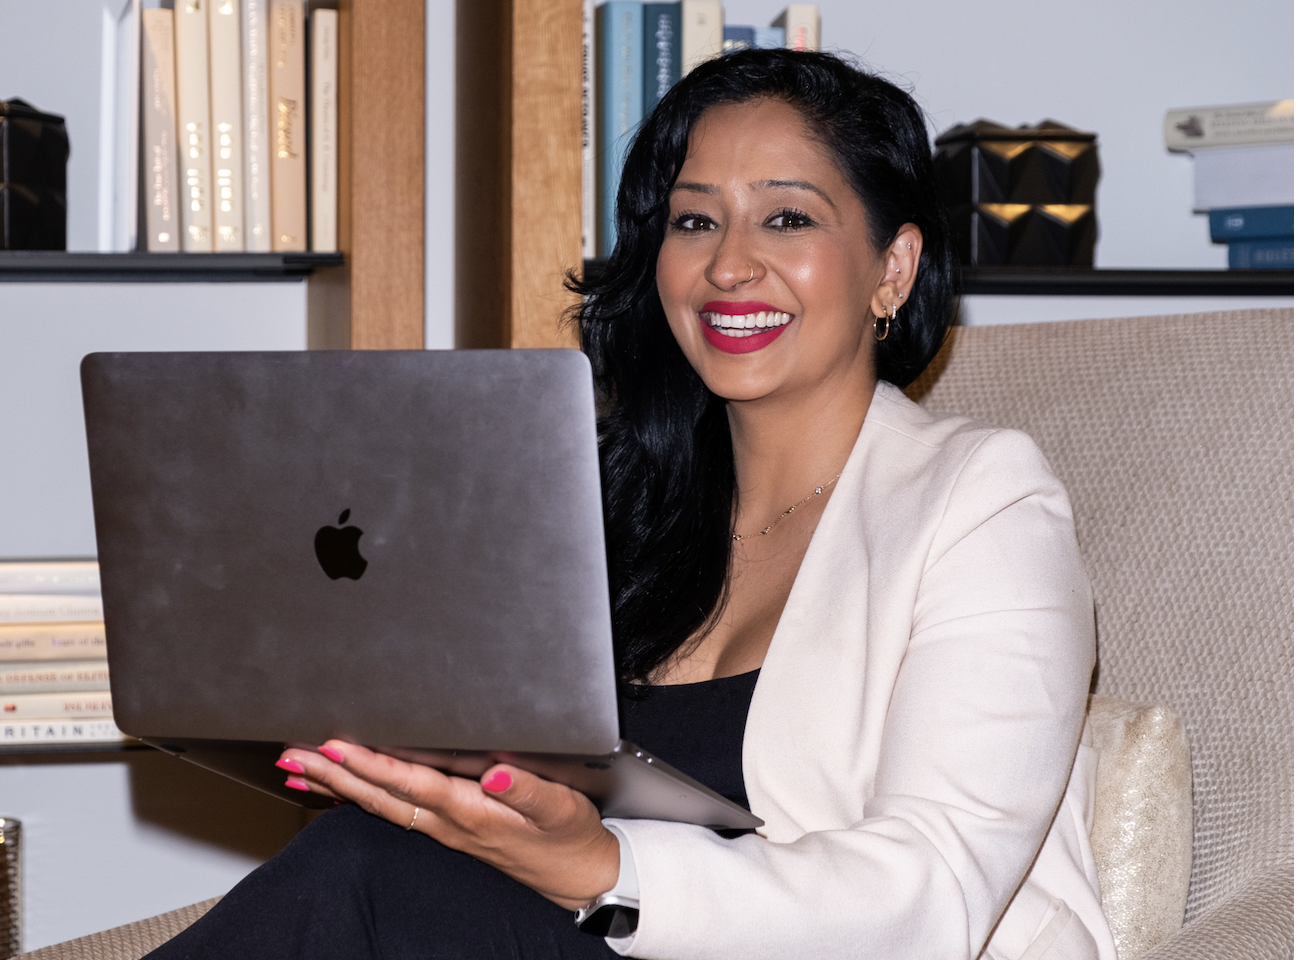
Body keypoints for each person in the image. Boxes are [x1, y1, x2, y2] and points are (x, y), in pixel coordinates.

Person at [147, 49, 1116, 960]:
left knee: (359, 873)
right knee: (371, 850)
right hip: (572, 930)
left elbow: (937, 887)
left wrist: (602, 866)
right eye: (693, 221)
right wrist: (408, 775)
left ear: (891, 268)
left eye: (786, 219)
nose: (728, 265)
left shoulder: (981, 495)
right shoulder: (602, 503)